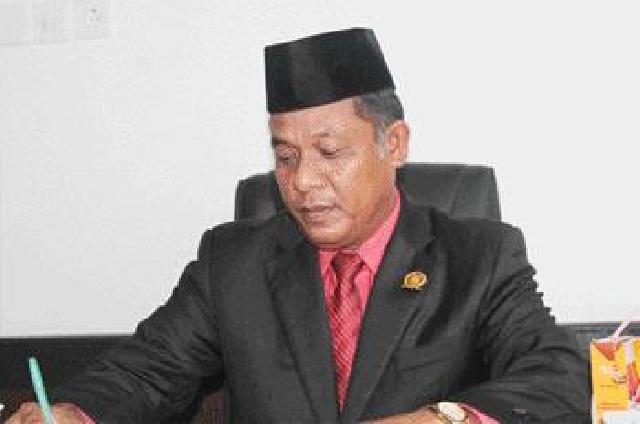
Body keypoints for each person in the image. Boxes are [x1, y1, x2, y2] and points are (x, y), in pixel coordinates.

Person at [8, 28, 590, 423]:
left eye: (330, 153)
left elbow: (558, 375)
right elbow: (147, 370)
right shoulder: (232, 263)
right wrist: (72, 412)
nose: (303, 181)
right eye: (285, 157)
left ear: (394, 144)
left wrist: (444, 418)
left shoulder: (478, 256)